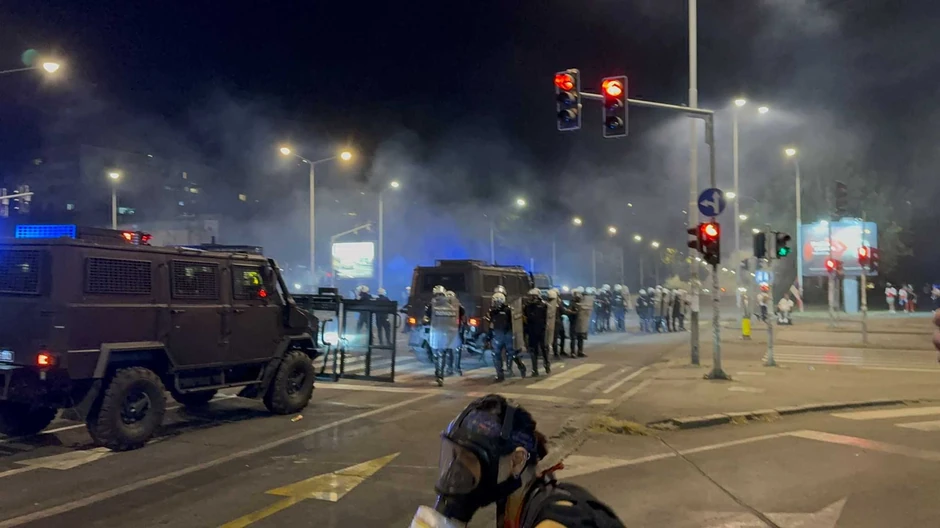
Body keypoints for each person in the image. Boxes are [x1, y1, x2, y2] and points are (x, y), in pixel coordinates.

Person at [412, 394, 626, 528]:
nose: (456, 471)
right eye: (454, 456)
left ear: (516, 461)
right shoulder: (514, 504)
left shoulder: (555, 520)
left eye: (469, 458)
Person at [486, 292, 525, 381]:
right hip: (497, 335)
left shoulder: (508, 310)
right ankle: (500, 375)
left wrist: (515, 336)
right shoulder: (493, 312)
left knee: (512, 354)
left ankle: (521, 366)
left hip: (507, 334)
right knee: (496, 355)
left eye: (496, 301)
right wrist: (489, 336)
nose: (494, 303)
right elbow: (492, 324)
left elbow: (514, 324)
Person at [427, 285, 460, 387]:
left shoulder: (433, 305)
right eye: (438, 295)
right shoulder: (450, 306)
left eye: (440, 295)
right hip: (441, 333)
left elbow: (426, 318)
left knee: (438, 355)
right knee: (440, 355)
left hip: (438, 332)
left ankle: (439, 374)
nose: (438, 297)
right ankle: (439, 374)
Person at [523, 288, 550, 376]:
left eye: (533, 296)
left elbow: (547, 318)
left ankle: (546, 364)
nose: (531, 298)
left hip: (541, 330)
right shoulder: (527, 306)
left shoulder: (543, 305)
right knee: (533, 350)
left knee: (544, 348)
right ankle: (535, 369)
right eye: (530, 296)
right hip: (531, 330)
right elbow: (525, 317)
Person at [444, 290, 465, 377]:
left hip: (455, 330)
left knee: (455, 351)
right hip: (450, 331)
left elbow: (463, 318)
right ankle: (452, 368)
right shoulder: (444, 307)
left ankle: (455, 368)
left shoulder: (459, 307)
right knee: (451, 351)